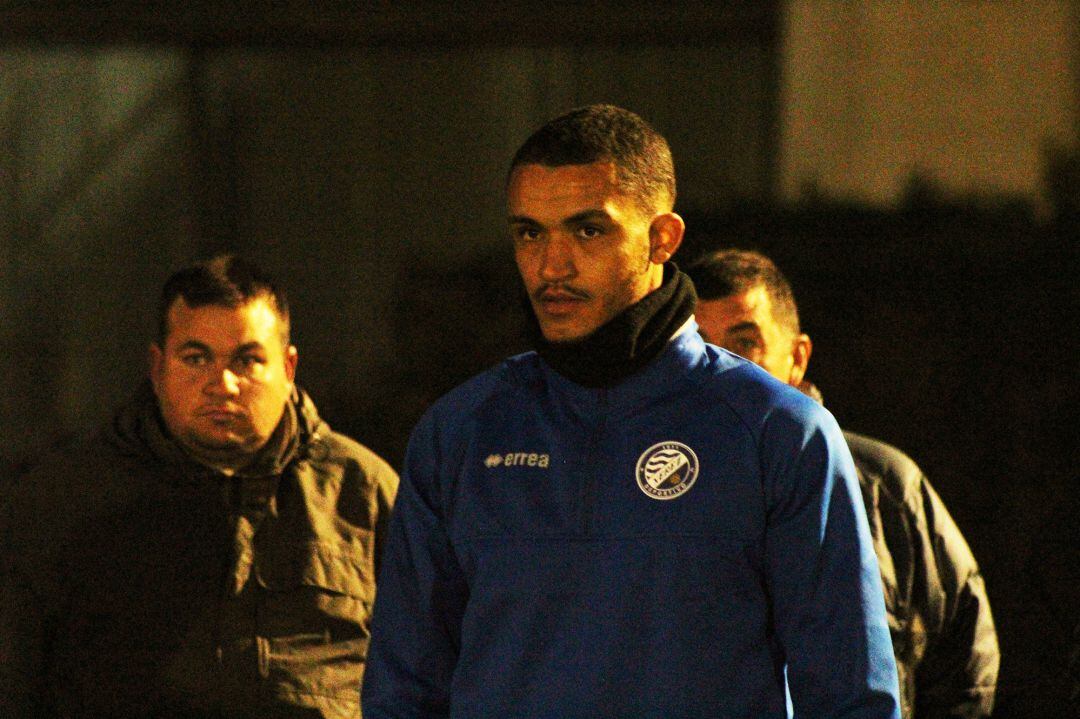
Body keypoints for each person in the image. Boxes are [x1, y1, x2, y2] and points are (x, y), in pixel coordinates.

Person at [362, 104, 900, 718]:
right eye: (529, 232)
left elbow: (850, 698)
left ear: (662, 239)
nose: (550, 266)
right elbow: (402, 693)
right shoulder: (460, 433)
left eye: (587, 230)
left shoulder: (777, 434)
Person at [0, 254, 398, 718]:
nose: (223, 384)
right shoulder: (65, 500)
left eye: (247, 360)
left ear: (289, 369)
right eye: (196, 358)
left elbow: (429, 669)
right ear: (158, 366)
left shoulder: (363, 494)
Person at [687, 248, 1000, 718]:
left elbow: (964, 657)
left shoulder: (885, 486)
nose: (718, 367)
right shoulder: (651, 485)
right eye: (698, 347)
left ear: (797, 357)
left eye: (744, 344)